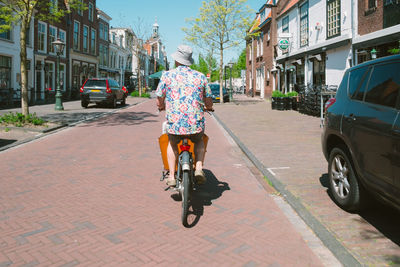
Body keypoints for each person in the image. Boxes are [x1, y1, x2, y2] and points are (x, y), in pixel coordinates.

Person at [156, 44, 213, 187]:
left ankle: (171, 176)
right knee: (199, 140)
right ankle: (199, 168)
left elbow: (159, 97)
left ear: (176, 60)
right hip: (195, 123)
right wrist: (209, 107)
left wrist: (161, 106)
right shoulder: (200, 77)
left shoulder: (167, 75)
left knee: (172, 143)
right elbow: (208, 99)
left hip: (175, 124)